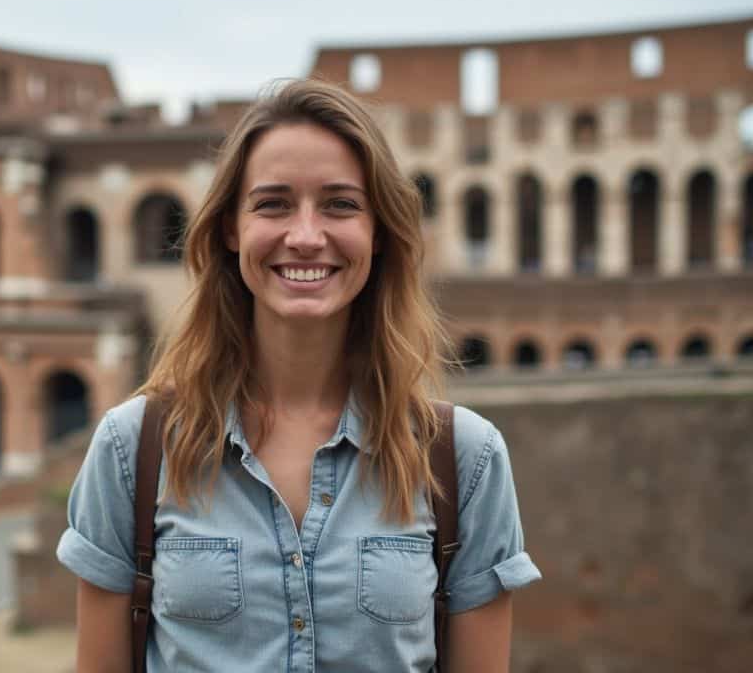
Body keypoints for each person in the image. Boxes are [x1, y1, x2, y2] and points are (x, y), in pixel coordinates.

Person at [57, 79, 541, 671]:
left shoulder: (465, 460)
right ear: (231, 229)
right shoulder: (132, 449)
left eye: (340, 204)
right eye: (273, 203)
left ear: (378, 233)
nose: (306, 236)